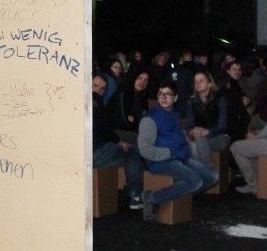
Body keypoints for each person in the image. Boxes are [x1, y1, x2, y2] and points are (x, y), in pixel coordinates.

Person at [137, 81, 218, 219]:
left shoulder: (175, 114)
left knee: (213, 177)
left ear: (175, 98)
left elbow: (179, 138)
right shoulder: (150, 119)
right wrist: (169, 153)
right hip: (162, 161)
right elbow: (144, 150)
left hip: (180, 157)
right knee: (195, 181)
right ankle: (151, 197)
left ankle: (181, 193)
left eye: (168, 94)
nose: (163, 97)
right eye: (161, 94)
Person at [92, 74, 144, 206]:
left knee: (131, 148)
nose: (98, 90)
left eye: (102, 88)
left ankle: (130, 188)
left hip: (95, 149)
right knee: (133, 151)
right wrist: (118, 141)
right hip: (95, 153)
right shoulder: (93, 101)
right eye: (95, 86)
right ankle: (135, 196)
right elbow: (101, 126)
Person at [184, 71, 231, 162]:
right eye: (196, 81)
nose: (198, 84)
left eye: (201, 81)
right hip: (199, 137)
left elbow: (223, 126)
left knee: (197, 143)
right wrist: (193, 131)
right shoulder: (191, 101)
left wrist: (207, 132)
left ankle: (205, 173)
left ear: (209, 84)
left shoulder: (220, 99)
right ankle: (207, 173)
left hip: (219, 136)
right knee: (195, 144)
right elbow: (190, 124)